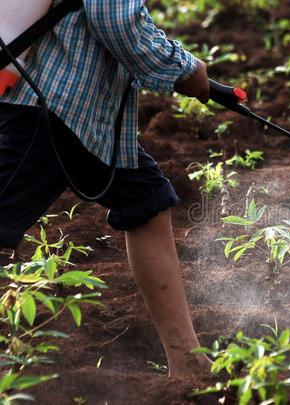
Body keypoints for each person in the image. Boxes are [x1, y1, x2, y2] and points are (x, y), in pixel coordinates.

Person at [0, 1, 211, 377]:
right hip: (51, 106)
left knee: (144, 198)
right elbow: (114, 18)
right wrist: (185, 68)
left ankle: (188, 362)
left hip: (84, 114)